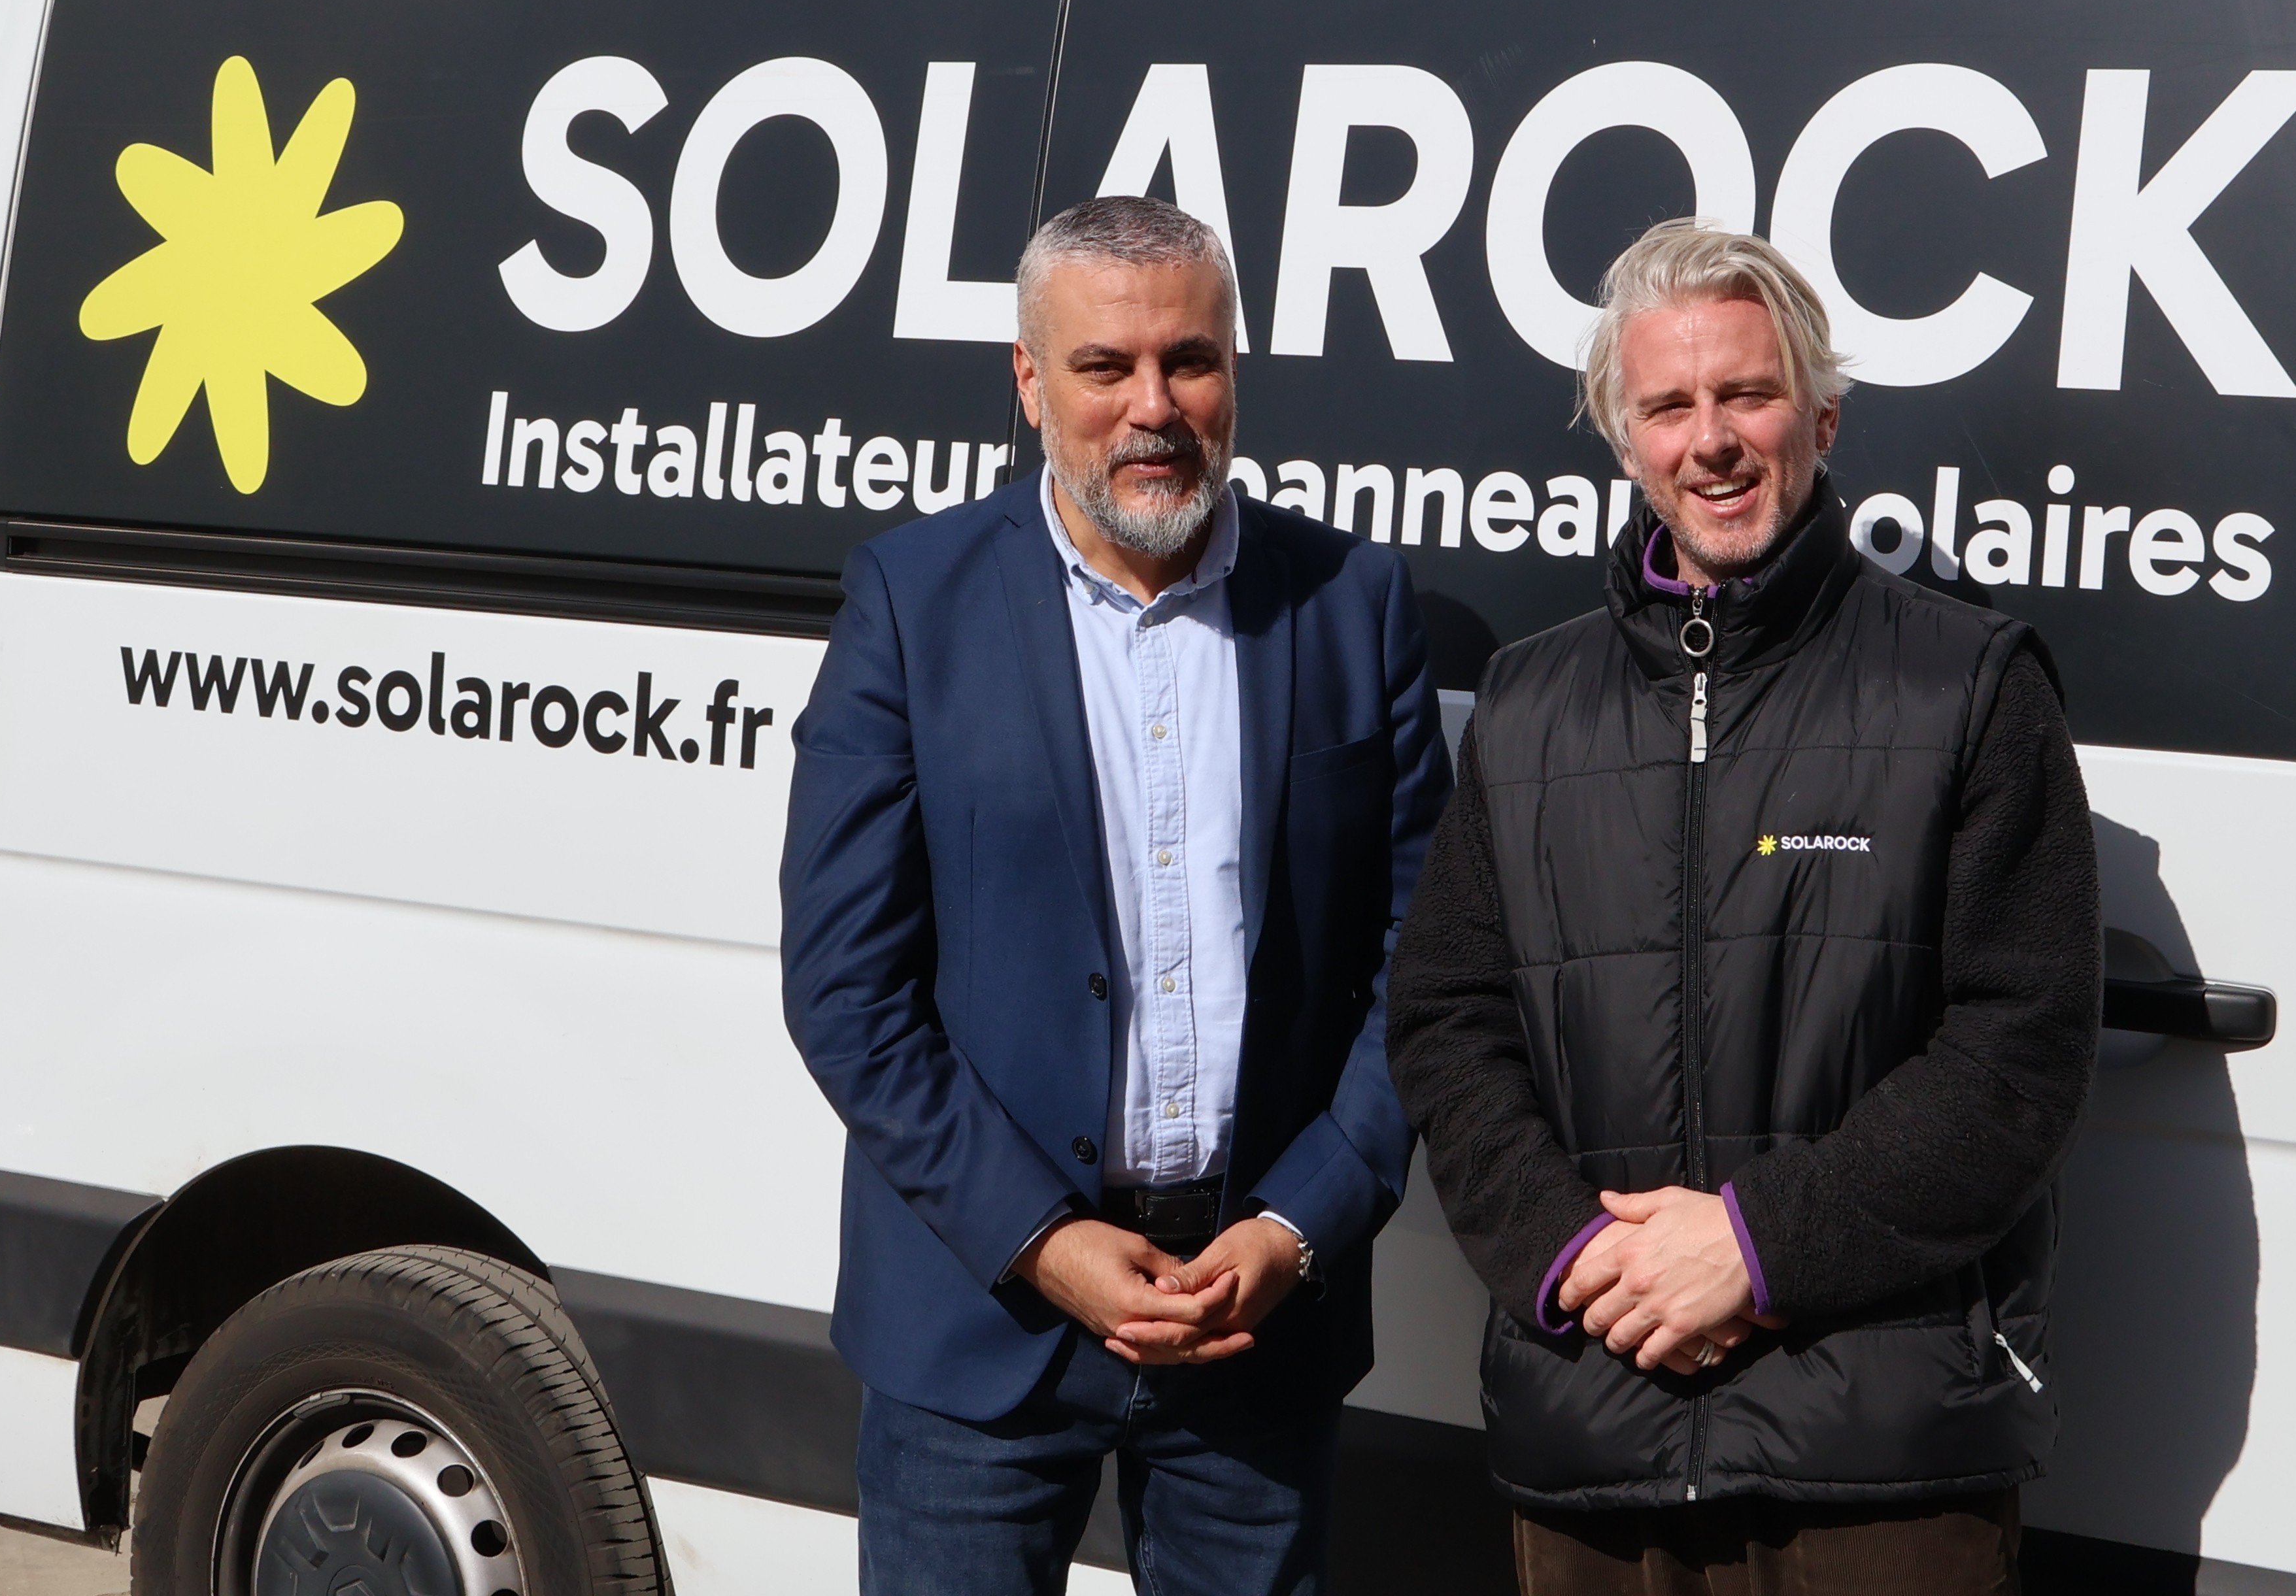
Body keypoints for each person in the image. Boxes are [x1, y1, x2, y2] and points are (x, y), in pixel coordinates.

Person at [1387, 220, 2104, 1595]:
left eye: (1747, 393)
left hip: (1879, 1449)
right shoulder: (1531, 707)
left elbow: (2020, 1047)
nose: (1710, 437)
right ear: (1623, 438)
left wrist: (1760, 1245)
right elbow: (1445, 1018)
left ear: (1822, 415)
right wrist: (1580, 1252)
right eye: (1668, 404)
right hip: (1595, 1412)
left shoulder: (1966, 684)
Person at [781, 193, 1449, 1596]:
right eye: (1105, 367)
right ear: (1031, 382)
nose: (1154, 404)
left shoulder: (1351, 602)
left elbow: (1428, 970)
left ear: (1234, 372)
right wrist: (1044, 1236)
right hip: (979, 1321)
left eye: (1191, 360)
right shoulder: (913, 601)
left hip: (1253, 1324)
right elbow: (848, 987)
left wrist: (1298, 1221)